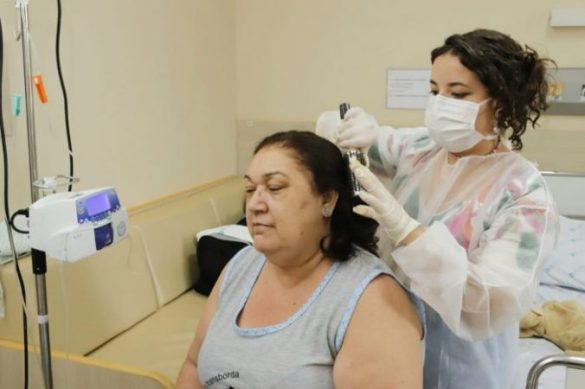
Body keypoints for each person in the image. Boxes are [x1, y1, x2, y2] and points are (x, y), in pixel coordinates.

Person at [316, 29, 559, 389]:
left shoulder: (523, 194)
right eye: (434, 91)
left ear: (502, 103)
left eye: (457, 93)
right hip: (388, 343)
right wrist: (349, 127)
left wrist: (406, 231)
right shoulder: (422, 149)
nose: (440, 103)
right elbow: (345, 134)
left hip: (462, 366)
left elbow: (486, 301)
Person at [176, 130, 424, 388]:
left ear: (327, 200)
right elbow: (193, 366)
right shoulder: (241, 265)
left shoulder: (372, 300)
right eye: (250, 189)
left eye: (275, 188)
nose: (254, 205)